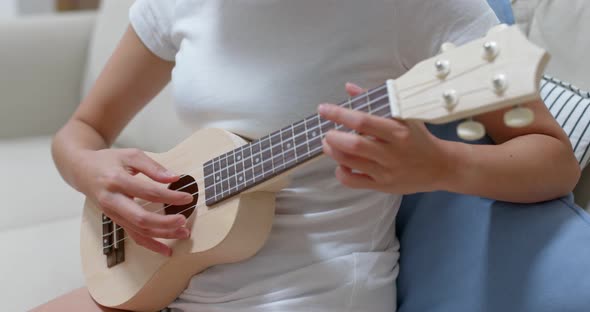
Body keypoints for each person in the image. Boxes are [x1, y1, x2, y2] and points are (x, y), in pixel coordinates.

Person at [36, 0, 580, 311]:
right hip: (165, 278)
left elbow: (554, 161)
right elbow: (80, 131)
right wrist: (93, 170)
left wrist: (442, 166)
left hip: (309, 295)